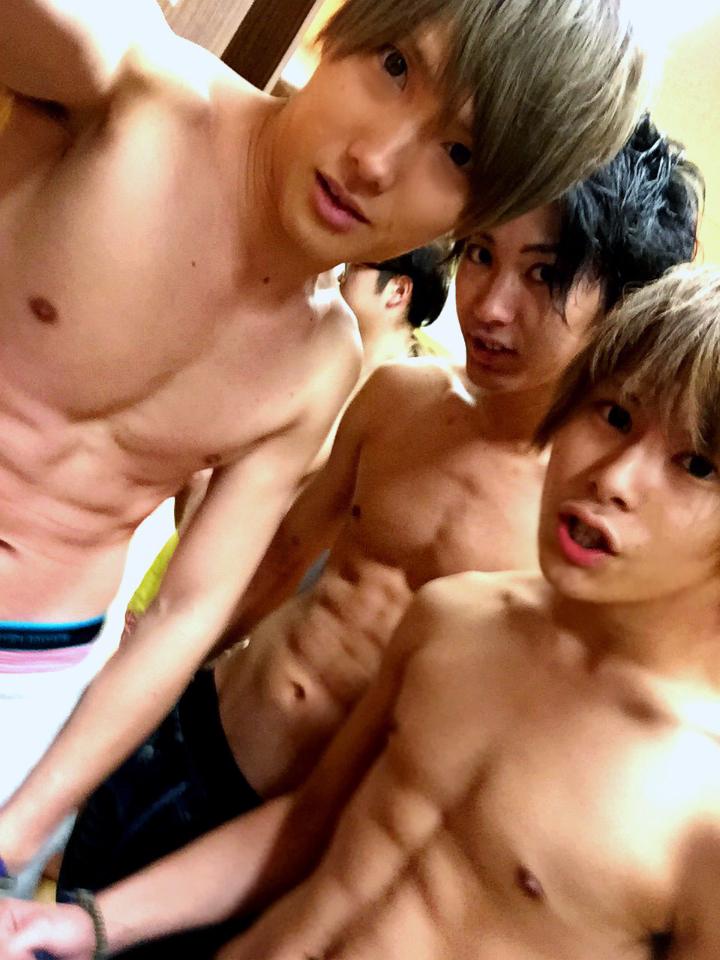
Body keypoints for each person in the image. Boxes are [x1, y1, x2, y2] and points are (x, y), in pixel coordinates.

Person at [0, 0, 646, 890]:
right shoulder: (126, 91)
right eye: (395, 67)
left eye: (458, 154)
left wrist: (25, 822)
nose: (376, 162)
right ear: (347, 27)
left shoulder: (321, 364)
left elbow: (192, 606)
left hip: (40, 669)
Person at [53, 116, 702, 958]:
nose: (489, 306)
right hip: (200, 725)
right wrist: (146, 683)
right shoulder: (401, 398)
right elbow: (280, 557)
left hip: (301, 840)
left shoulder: (588, 538)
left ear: (623, 307)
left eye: (543, 275)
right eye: (480, 254)